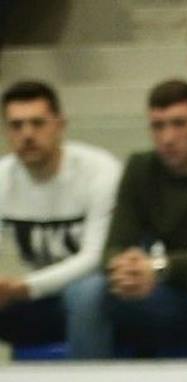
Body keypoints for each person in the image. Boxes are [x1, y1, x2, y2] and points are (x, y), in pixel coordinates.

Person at [63, 80, 187, 360]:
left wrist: (157, 267)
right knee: (84, 292)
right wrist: (126, 268)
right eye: (158, 126)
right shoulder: (140, 167)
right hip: (172, 289)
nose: (168, 137)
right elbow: (114, 246)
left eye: (179, 124)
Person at [0, 80, 121, 353]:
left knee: (86, 293)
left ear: (59, 124)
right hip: (45, 299)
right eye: (17, 126)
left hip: (105, 295)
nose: (27, 134)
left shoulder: (100, 171)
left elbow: (94, 259)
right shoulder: (2, 177)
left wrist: (25, 287)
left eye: (37, 123)